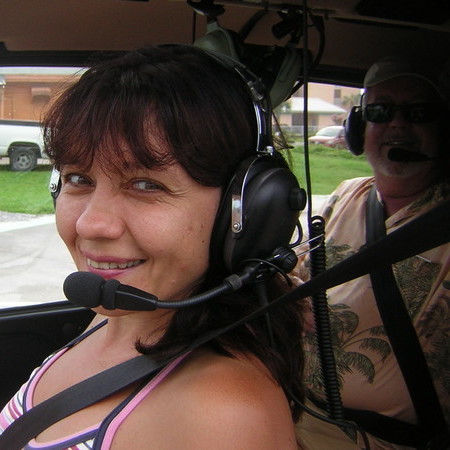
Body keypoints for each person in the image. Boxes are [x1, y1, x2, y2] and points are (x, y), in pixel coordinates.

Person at [0, 44, 306, 448]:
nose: (90, 223)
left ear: (246, 211)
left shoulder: (220, 414)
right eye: (78, 179)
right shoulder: (119, 314)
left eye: (146, 185)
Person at [293, 56, 450, 449]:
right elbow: (297, 268)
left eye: (418, 113)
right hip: (299, 410)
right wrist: (286, 289)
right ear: (359, 128)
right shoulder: (348, 194)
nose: (397, 125)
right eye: (380, 112)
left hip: (385, 440)